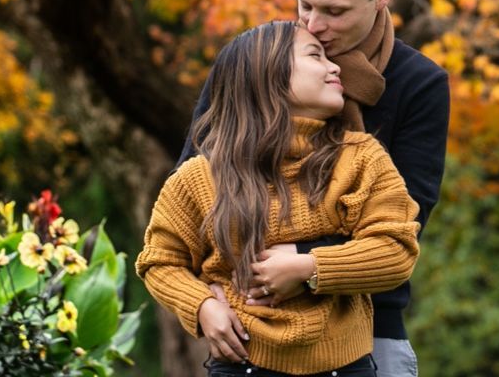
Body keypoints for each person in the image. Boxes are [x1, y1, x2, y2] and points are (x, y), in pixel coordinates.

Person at [178, 0, 451, 377]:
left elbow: (406, 219)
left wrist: (304, 262)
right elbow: (191, 193)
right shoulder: (257, 62)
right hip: (251, 322)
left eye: (334, 11)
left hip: (366, 322)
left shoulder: (418, 84)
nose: (314, 24)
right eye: (304, 5)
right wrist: (202, 299)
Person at [137, 21, 420, 376]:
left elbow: (396, 250)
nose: (335, 67)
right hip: (241, 365)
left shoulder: (363, 158)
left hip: (346, 367)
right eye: (315, 56)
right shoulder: (200, 177)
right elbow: (159, 260)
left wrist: (308, 267)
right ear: (269, 75)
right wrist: (202, 306)